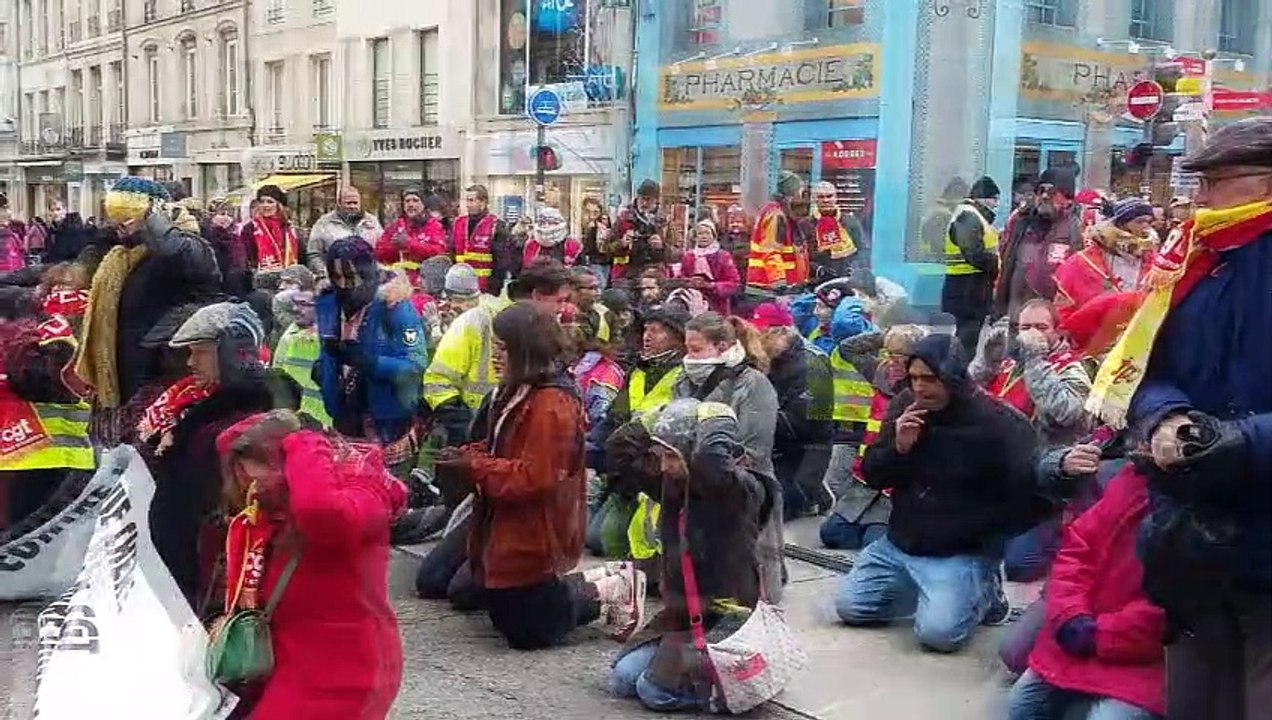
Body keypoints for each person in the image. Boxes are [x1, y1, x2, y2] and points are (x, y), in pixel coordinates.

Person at [1085, 118, 1272, 720]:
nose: (1200, 199)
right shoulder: (1195, 263)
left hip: (1261, 526)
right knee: (1192, 697)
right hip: (1192, 532)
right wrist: (1165, 417)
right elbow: (1145, 366)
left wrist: (1242, 440)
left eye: (1216, 182)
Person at [436, 302, 645, 649]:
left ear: (525, 351)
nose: (495, 356)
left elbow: (535, 478)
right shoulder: (516, 389)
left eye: (503, 348)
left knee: (527, 634)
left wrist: (473, 467)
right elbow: (503, 449)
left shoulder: (551, 404)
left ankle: (610, 587)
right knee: (467, 594)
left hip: (536, 528)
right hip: (503, 520)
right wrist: (468, 454)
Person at [836, 334, 1041, 652]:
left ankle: (985, 592)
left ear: (952, 376)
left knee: (939, 635)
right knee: (851, 608)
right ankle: (935, 593)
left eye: (929, 379)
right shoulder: (906, 406)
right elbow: (874, 475)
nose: (919, 387)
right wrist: (899, 449)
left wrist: (980, 537)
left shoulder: (999, 424)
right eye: (914, 378)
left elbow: (1028, 499)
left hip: (958, 551)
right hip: (899, 543)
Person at [215, 410, 404, 719]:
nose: (254, 491)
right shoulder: (274, 507)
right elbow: (226, 442)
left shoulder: (363, 491)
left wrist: (304, 442)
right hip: (292, 662)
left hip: (344, 673)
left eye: (260, 480)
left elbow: (322, 515)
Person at [609, 399, 776, 712]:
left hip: (728, 618)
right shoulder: (675, 483)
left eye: (671, 455)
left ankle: (726, 692)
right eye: (661, 455)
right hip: (685, 616)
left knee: (652, 691)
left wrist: (715, 420)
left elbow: (712, 465)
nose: (663, 466)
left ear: (692, 451)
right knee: (623, 679)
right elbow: (620, 450)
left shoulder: (736, 490)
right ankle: (695, 674)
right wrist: (658, 420)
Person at [146, 301, 300, 608]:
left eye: (201, 352)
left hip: (217, 586)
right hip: (195, 580)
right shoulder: (201, 411)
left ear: (233, 353)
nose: (191, 362)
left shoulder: (240, 427)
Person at [1008, 468, 1165, 720]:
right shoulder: (1127, 480)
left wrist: (1100, 635)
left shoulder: (1196, 507)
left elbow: (1171, 607)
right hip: (1081, 627)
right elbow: (1075, 548)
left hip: (1144, 655)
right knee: (1021, 705)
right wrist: (1070, 615)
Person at [75, 177, 222, 436]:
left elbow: (172, 250)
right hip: (127, 369)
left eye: (127, 214)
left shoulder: (191, 245)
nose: (120, 223)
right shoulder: (120, 254)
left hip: (163, 368)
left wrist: (153, 220)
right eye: (115, 215)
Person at [673, 312, 783, 601]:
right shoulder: (683, 380)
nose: (689, 357)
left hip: (743, 483)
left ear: (721, 347)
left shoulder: (754, 383)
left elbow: (754, 447)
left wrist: (710, 466)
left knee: (744, 587)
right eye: (687, 349)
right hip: (693, 479)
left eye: (696, 349)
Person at [422, 260, 572, 447]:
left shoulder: (545, 326)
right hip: (475, 433)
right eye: (559, 301)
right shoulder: (477, 320)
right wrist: (460, 422)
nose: (563, 309)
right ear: (537, 296)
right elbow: (437, 379)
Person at [313, 237, 426, 477]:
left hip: (387, 428)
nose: (345, 285)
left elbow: (415, 365)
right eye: (337, 277)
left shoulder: (395, 306)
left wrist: (369, 362)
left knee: (389, 495)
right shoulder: (328, 303)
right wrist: (322, 370)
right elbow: (326, 350)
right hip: (344, 423)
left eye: (351, 277)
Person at [820, 324, 927, 550]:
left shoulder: (922, 388)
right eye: (888, 354)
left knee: (873, 541)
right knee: (831, 533)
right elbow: (848, 348)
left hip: (894, 487)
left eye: (898, 356)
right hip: (866, 480)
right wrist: (887, 336)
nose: (891, 362)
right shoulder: (880, 373)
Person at [752, 301, 835, 518]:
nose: (756, 341)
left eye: (761, 334)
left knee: (774, 510)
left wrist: (753, 417)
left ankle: (814, 492)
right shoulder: (767, 359)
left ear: (781, 332)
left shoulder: (813, 364)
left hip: (806, 448)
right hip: (775, 446)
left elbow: (809, 422)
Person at [974, 299, 1092, 449]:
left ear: (1057, 332)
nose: (1032, 333)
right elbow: (971, 394)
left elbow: (1068, 413)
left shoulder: (1073, 366)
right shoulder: (1012, 361)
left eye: (1041, 327)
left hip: (1042, 451)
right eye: (1026, 327)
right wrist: (986, 363)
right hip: (996, 444)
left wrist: (1035, 360)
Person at [996, 167, 1085, 319]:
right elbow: (1006, 261)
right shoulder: (1020, 222)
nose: (1044, 196)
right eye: (1040, 190)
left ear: (1067, 199)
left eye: (1051, 192)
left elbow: (1079, 275)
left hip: (1053, 317)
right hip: (1019, 313)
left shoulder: (1076, 228)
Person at [1054, 198, 1157, 322]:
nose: (1146, 227)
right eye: (1139, 222)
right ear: (1121, 224)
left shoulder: (1154, 262)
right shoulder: (1082, 262)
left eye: (1149, 222)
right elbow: (1064, 310)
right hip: (1095, 329)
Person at [942, 176, 1001, 357]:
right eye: (995, 199)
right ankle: (957, 369)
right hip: (968, 287)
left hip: (968, 286)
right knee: (966, 340)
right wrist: (997, 265)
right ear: (985, 198)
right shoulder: (968, 217)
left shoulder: (971, 216)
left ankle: (957, 367)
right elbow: (973, 254)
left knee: (967, 337)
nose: (996, 204)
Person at [271, 289, 330, 426]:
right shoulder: (290, 336)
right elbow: (279, 375)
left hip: (325, 421)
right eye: (295, 303)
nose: (295, 309)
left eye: (303, 304)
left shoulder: (331, 340)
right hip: (295, 419)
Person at [307, 186, 384, 283]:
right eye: (348, 203)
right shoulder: (324, 223)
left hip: (369, 280)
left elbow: (382, 249)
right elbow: (314, 254)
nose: (352, 206)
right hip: (336, 281)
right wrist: (325, 274)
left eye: (355, 203)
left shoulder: (372, 221)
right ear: (339, 203)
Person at [376, 188, 449, 286]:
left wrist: (410, 244)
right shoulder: (395, 226)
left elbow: (439, 252)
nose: (410, 204)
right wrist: (394, 247)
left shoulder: (434, 226)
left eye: (415, 200)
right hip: (398, 284)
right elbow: (379, 253)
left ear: (423, 205)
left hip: (425, 284)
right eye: (407, 201)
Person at [747, 171, 803, 292]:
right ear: (792, 191)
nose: (800, 194)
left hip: (763, 283)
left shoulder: (771, 210)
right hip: (768, 286)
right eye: (799, 190)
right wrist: (779, 282)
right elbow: (771, 250)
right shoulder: (776, 215)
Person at [452, 184, 514, 294]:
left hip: (484, 288)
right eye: (467, 200)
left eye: (472, 200)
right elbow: (452, 252)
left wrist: (494, 289)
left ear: (483, 202)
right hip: (459, 286)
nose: (468, 205)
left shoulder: (495, 225)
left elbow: (501, 262)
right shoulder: (458, 223)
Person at [670, 219, 740, 316]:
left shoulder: (723, 256)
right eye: (700, 233)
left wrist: (711, 286)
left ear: (713, 236)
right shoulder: (689, 256)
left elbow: (734, 283)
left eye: (707, 233)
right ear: (695, 237)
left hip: (717, 305)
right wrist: (689, 282)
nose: (704, 236)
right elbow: (681, 277)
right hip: (692, 301)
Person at [607, 180, 669, 286]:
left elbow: (678, 254)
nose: (644, 203)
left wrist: (662, 247)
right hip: (626, 275)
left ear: (656, 200)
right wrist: (622, 243)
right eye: (642, 199)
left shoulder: (665, 222)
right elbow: (606, 249)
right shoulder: (624, 218)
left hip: (654, 277)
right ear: (637, 197)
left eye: (649, 200)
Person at [241, 185, 306, 280]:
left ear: (279, 205)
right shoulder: (250, 228)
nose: (265, 205)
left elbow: (302, 255)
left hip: (290, 279)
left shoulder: (289, 228)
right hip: (260, 279)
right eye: (262, 201)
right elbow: (246, 256)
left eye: (270, 202)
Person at [807, 181, 869, 281]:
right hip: (818, 280)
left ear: (835, 198)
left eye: (829, 196)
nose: (825, 200)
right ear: (814, 199)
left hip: (848, 278)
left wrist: (855, 267)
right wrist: (818, 269)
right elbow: (802, 256)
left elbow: (862, 249)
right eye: (820, 197)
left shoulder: (850, 221)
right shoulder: (806, 224)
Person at [203, 198, 252, 299]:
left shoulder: (237, 235)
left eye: (229, 214)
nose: (226, 218)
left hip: (238, 282)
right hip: (219, 284)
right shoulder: (207, 235)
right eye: (221, 214)